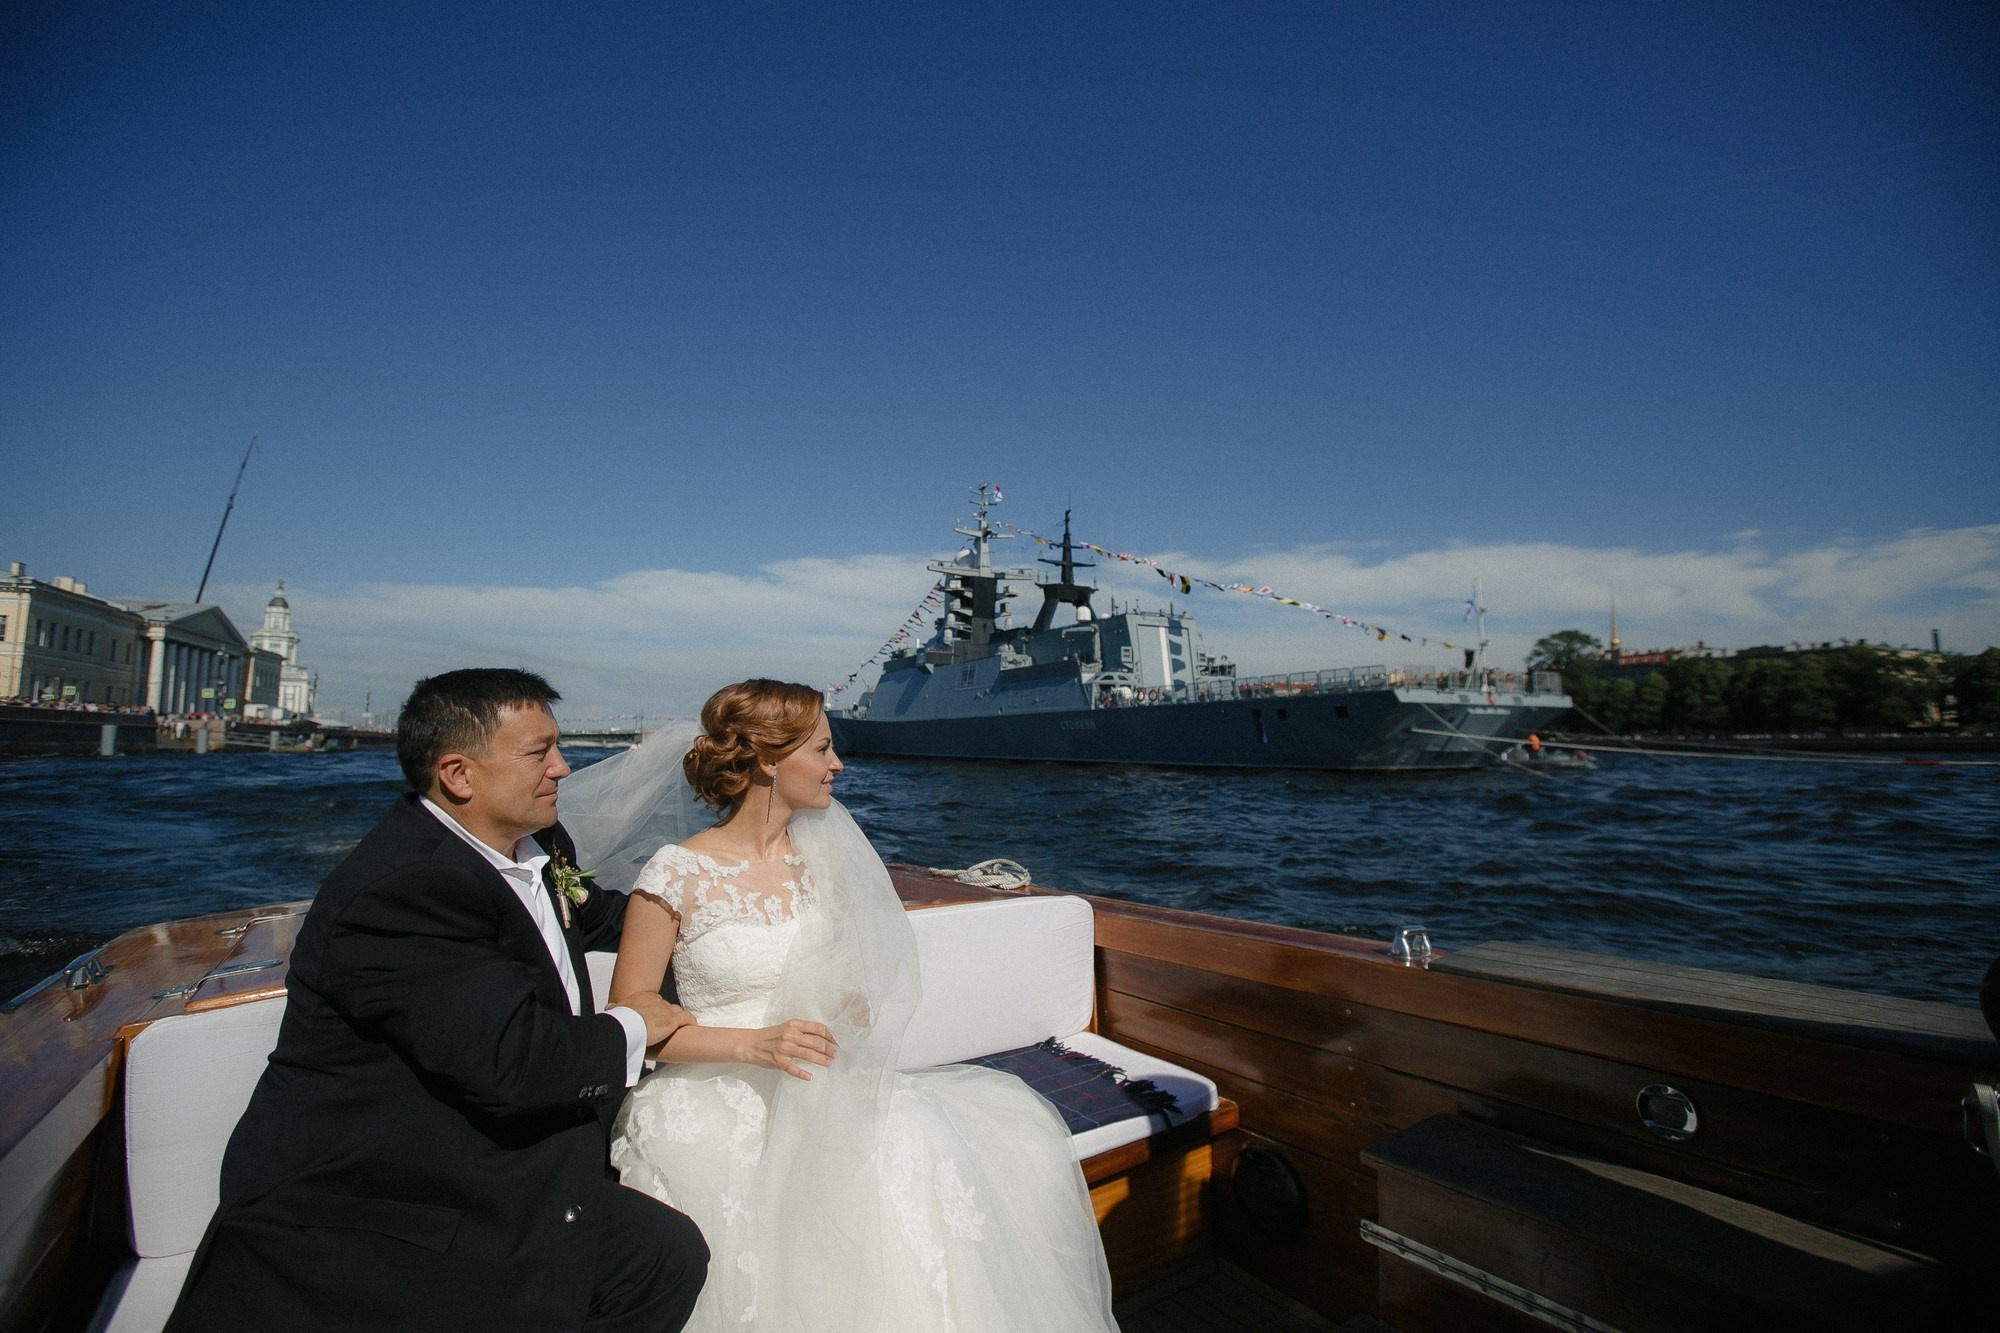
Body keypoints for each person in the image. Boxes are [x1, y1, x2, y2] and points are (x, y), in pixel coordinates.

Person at [167, 669, 709, 1332]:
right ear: (458, 773)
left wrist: (726, 920)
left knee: (666, 1252)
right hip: (392, 1200)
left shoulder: (540, 848)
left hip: (486, 1156)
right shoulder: (406, 890)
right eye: (539, 752)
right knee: (657, 1256)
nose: (564, 767)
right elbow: (514, 1062)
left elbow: (599, 916)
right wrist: (637, 1023)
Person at [583, 679, 1118, 1331]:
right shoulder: (674, 874)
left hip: (815, 1080)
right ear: (770, 760)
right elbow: (631, 1020)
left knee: (922, 1144)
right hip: (713, 1087)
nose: (838, 764)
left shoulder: (822, 863)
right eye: (824, 748)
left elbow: (846, 978)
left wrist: (846, 1002)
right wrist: (751, 1044)